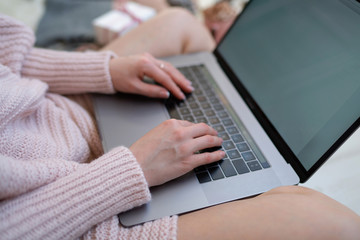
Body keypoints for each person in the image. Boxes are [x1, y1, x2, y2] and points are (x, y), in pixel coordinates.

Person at [1, 12, 360, 240]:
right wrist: (132, 168)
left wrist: (107, 71)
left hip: (56, 112)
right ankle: (234, 186)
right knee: (334, 223)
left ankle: (239, 161)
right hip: (71, 214)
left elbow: (8, 57)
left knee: (179, 23)